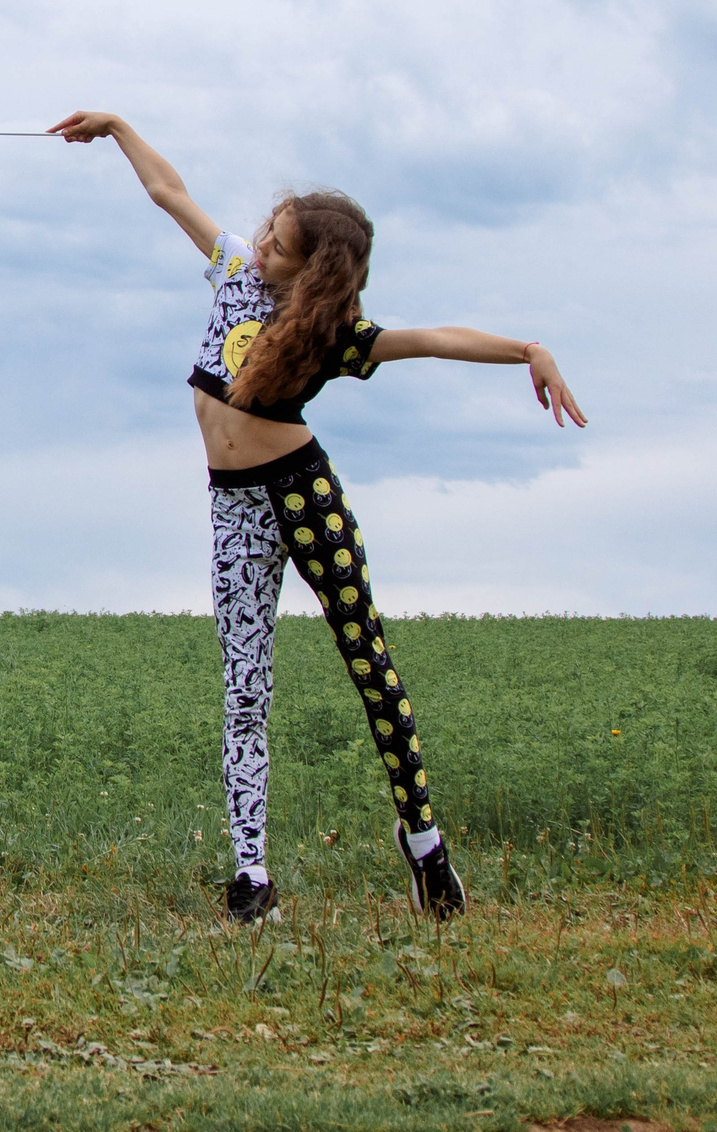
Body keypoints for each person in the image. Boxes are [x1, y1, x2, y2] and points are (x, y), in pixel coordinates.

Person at [49, 110, 586, 923]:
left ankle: (427, 850)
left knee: (370, 667)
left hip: (304, 496)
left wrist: (527, 350)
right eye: (267, 227)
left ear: (313, 272)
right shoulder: (232, 269)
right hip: (233, 512)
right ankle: (252, 875)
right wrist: (116, 125)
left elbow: (434, 338)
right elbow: (168, 190)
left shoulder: (336, 334)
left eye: (279, 243)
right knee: (245, 688)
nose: (260, 242)